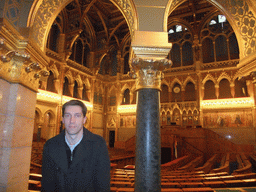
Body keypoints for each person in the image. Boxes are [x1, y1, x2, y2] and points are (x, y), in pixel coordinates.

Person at [41, 99, 110, 192]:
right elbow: (47, 186)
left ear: (84, 119)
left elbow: (103, 186)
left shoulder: (98, 144)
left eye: (77, 116)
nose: (72, 121)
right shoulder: (50, 145)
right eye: (67, 115)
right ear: (62, 119)